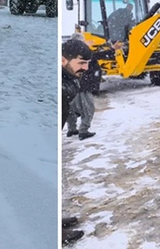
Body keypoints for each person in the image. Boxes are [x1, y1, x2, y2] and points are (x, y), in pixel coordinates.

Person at [61, 38, 92, 244]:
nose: (85, 68)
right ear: (64, 60)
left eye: (88, 63)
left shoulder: (69, 77)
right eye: (81, 63)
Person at [65, 33, 124, 140]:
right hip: (83, 85)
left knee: (71, 109)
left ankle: (72, 129)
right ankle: (83, 131)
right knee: (88, 108)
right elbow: (96, 56)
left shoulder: (67, 51)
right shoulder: (81, 52)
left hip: (71, 85)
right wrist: (112, 49)